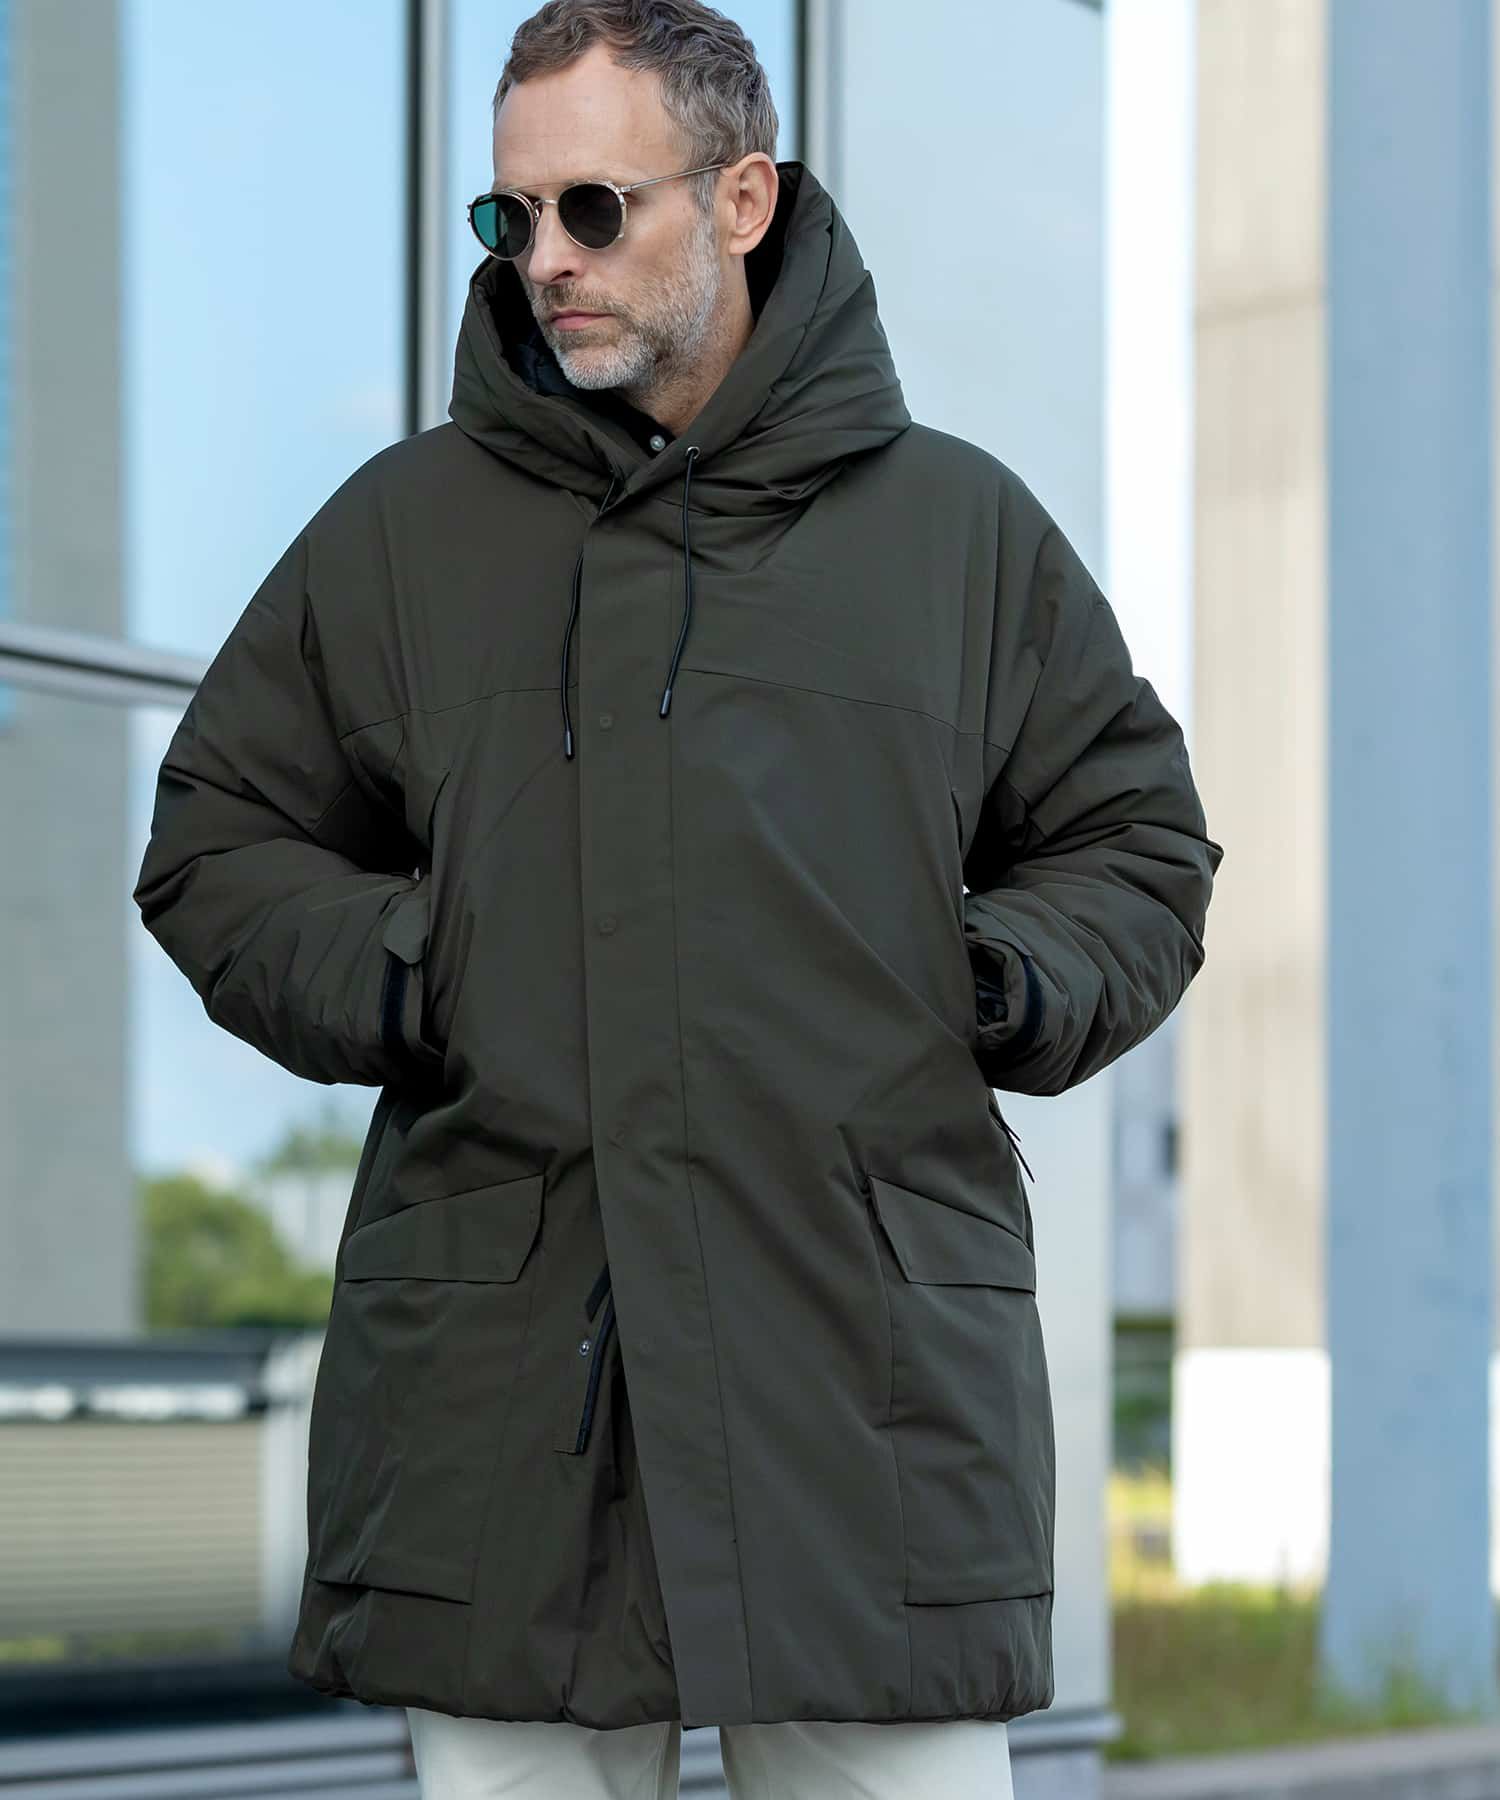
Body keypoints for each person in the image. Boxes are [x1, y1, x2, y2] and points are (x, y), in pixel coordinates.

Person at [131, 1, 1223, 1794]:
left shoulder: (957, 534)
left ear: (741, 197)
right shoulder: (405, 534)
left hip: (865, 1390)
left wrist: (983, 980)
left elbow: (1139, 845)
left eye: (592, 208)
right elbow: (218, 839)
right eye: (509, 218)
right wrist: (423, 968)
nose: (543, 260)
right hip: (506, 1401)